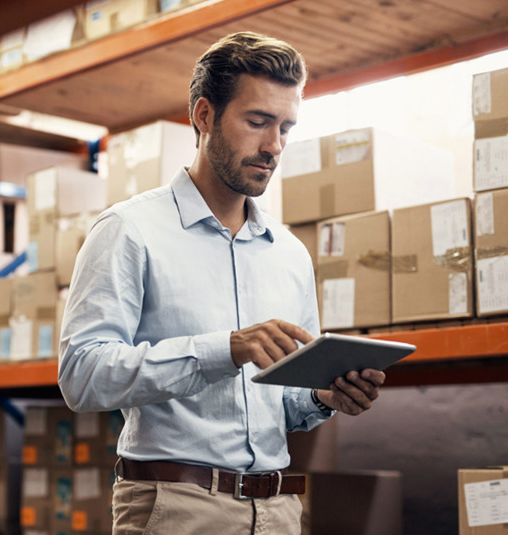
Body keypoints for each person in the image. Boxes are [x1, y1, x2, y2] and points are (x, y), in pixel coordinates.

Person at [58, 31, 385, 534]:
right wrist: (225, 349)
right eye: (257, 122)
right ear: (204, 115)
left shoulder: (290, 254)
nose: (273, 146)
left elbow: (287, 400)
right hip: (177, 509)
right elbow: (82, 375)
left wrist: (325, 398)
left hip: (278, 512)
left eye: (285, 127)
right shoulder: (129, 230)